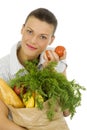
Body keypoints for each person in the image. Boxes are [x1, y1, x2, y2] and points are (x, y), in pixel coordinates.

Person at [0, 8, 70, 130]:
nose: (33, 40)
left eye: (42, 37)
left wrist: (54, 71)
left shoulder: (53, 58)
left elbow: (67, 110)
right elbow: (2, 122)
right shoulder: (3, 69)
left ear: (51, 40)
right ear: (22, 29)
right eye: (30, 31)